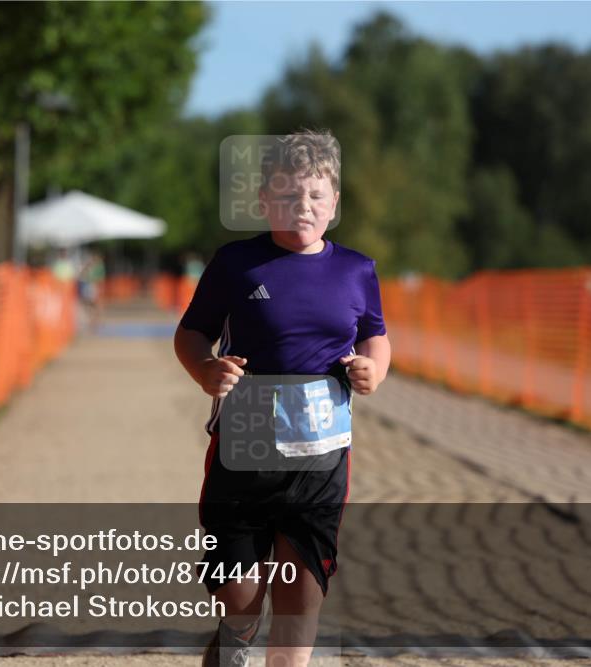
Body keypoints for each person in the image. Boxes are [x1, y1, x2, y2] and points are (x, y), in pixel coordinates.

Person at [173, 130, 391, 667]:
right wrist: (205, 369)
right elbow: (190, 333)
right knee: (238, 598)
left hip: (319, 463)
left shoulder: (356, 270)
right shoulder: (236, 263)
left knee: (299, 605)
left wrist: (374, 369)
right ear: (265, 200)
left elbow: (375, 336)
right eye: (290, 195)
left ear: (334, 202)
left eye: (316, 195)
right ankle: (233, 642)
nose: (304, 207)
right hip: (242, 456)